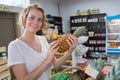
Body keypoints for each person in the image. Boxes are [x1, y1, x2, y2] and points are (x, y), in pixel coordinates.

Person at [7, 3, 78, 80]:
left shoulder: (42, 39)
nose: (35, 22)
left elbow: (56, 65)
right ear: (24, 18)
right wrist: (47, 60)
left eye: (39, 19)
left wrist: (69, 52)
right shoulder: (15, 46)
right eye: (32, 17)